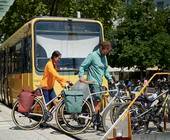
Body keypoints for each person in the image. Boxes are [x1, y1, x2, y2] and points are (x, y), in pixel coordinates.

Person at [79, 41, 114, 114]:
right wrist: (81, 76)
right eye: (106, 50)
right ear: (101, 48)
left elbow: (105, 70)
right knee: (97, 101)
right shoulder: (92, 55)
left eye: (108, 51)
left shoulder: (104, 57)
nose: (106, 53)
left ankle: (94, 117)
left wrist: (110, 79)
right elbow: (82, 66)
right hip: (93, 82)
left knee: (98, 102)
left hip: (99, 83)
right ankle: (96, 120)